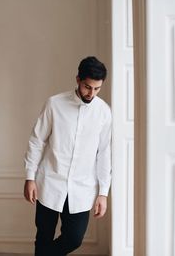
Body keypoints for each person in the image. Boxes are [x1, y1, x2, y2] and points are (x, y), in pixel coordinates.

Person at [23, 56, 112, 256]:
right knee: (44, 236)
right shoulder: (54, 104)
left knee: (74, 238)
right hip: (50, 182)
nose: (92, 93)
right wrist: (30, 177)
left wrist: (103, 193)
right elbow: (37, 140)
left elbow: (104, 153)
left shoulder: (104, 112)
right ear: (78, 79)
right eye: (88, 87)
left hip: (82, 187)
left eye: (97, 89)